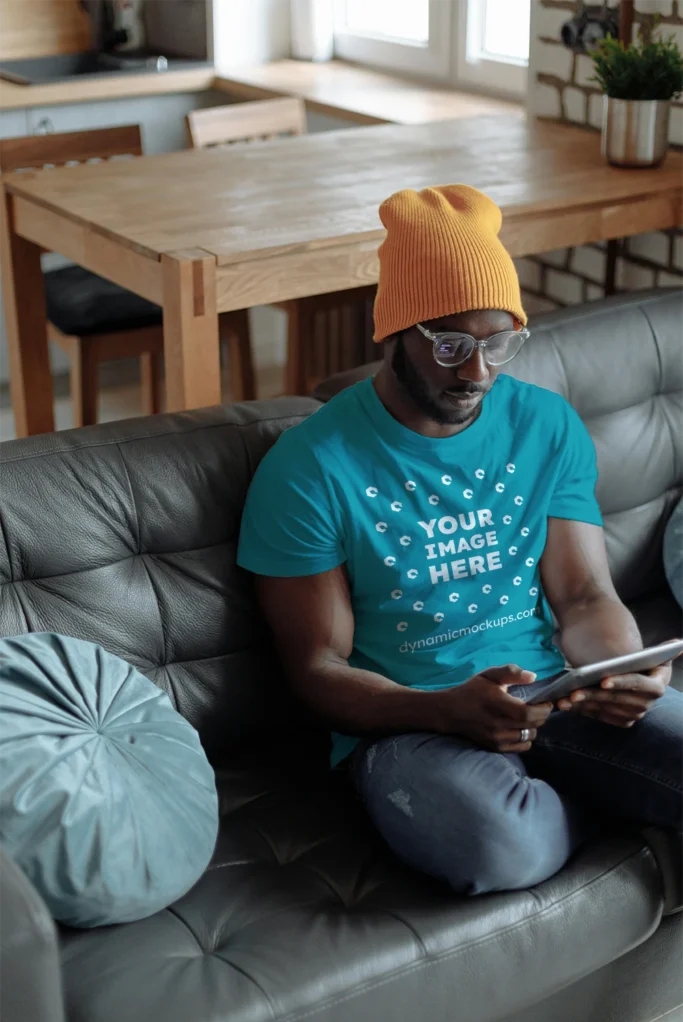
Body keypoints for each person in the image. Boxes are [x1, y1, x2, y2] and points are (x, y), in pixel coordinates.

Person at [237, 183, 682, 895]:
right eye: (449, 345)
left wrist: (620, 670)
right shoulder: (309, 469)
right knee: (500, 848)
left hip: (553, 695)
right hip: (410, 726)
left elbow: (582, 593)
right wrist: (441, 707)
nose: (476, 372)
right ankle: (622, 802)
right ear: (391, 334)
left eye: (498, 342)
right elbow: (318, 668)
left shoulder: (544, 424)